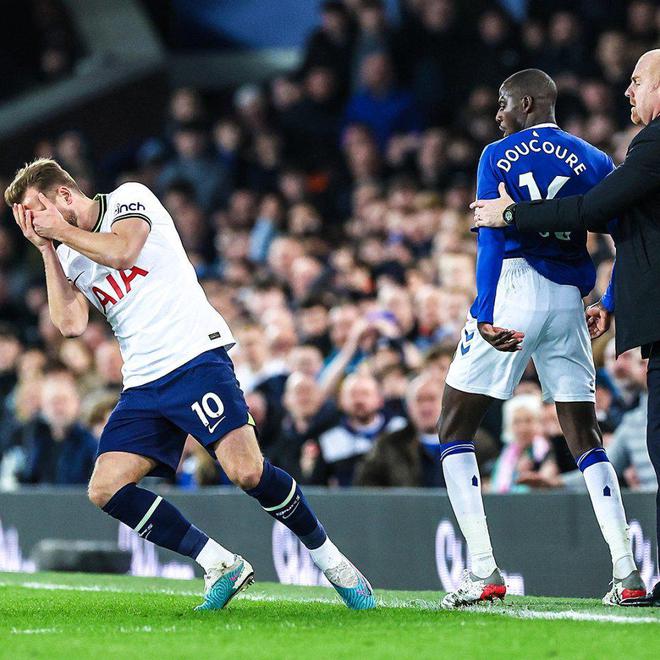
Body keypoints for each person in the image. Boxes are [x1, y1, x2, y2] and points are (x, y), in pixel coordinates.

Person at [5, 158, 375, 611]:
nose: (33, 222)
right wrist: (48, 250)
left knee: (248, 472)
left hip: (194, 358)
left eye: (34, 210)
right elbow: (69, 324)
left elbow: (123, 252)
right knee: (105, 488)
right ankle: (219, 563)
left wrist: (60, 231)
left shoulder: (129, 198)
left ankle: (331, 560)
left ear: (63, 194)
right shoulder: (66, 252)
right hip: (143, 381)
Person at [437, 69, 645, 609]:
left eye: (503, 103)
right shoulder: (594, 159)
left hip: (513, 285)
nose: (497, 115)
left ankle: (483, 569)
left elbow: (491, 236)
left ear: (527, 103)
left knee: (453, 425)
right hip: (569, 300)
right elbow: (627, 238)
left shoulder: (495, 155)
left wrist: (484, 311)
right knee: (584, 434)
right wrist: (610, 300)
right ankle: (627, 572)